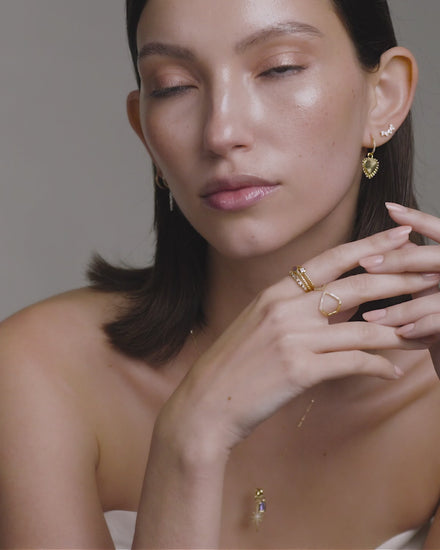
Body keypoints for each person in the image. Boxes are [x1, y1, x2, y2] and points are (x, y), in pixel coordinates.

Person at [1, 0, 440, 548]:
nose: (221, 131)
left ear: (385, 96)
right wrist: (189, 440)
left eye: (278, 68)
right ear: (144, 130)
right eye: (173, 86)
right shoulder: (40, 370)